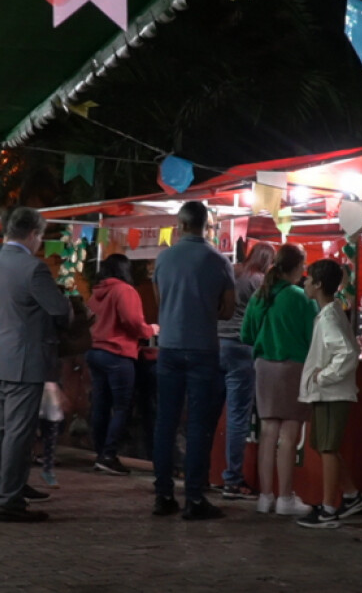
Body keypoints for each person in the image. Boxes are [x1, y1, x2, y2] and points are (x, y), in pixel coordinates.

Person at [0, 207, 72, 523]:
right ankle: (9, 498)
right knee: (18, 432)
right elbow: (59, 310)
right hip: (24, 358)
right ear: (34, 234)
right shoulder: (33, 269)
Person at [152, 202, 235, 520]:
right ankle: (195, 499)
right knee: (199, 426)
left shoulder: (164, 258)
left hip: (169, 348)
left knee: (166, 423)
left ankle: (163, 495)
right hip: (203, 349)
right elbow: (227, 311)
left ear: (181, 225)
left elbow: (161, 302)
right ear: (206, 225)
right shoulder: (218, 260)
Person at [241, 243, 317, 517]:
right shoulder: (301, 297)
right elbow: (314, 338)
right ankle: (285, 498)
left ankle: (265, 497)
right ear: (297, 267)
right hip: (293, 367)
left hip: (264, 368)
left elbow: (246, 334)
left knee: (267, 432)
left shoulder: (260, 295)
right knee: (288, 435)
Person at [296, 259, 362, 528]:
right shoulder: (331, 312)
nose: (304, 283)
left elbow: (347, 353)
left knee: (327, 448)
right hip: (330, 392)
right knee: (324, 445)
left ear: (317, 284)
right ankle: (351, 495)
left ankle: (329, 509)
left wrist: (324, 376)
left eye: (308, 279)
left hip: (332, 393)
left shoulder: (329, 317)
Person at [86, 254, 159, 476]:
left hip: (96, 351)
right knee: (121, 407)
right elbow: (133, 322)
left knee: (100, 405)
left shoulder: (97, 292)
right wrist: (151, 330)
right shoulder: (125, 291)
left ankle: (100, 453)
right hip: (118, 354)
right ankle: (109, 455)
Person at [217, 242, 276, 500]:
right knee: (238, 416)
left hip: (217, 345)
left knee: (212, 413)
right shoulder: (260, 282)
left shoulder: (233, 272)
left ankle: (207, 472)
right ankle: (233, 479)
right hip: (242, 348)